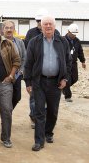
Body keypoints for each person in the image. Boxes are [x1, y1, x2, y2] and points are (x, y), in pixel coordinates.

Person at [24, 16, 71, 151]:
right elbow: (28, 63)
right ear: (41, 26)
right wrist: (28, 81)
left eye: (50, 24)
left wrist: (65, 79)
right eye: (45, 24)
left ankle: (48, 133)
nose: (48, 26)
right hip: (39, 81)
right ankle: (39, 141)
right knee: (39, 111)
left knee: (53, 111)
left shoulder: (63, 42)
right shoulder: (34, 42)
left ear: (55, 26)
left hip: (56, 82)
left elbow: (68, 62)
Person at [24, 9, 60, 129]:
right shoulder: (31, 34)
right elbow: (28, 55)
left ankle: (48, 127)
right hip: (37, 76)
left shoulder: (57, 34)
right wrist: (28, 78)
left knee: (51, 106)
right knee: (34, 100)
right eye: (39, 21)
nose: (41, 23)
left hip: (53, 79)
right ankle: (34, 118)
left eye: (42, 21)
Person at [2, 20, 26, 109]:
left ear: (14, 29)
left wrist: (21, 71)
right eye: (6, 28)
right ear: (2, 29)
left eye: (11, 28)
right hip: (4, 76)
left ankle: (8, 113)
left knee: (17, 97)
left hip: (17, 75)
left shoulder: (20, 42)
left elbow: (24, 57)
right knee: (5, 98)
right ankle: (6, 116)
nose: (9, 30)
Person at [63, 24, 86, 102]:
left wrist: (83, 61)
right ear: (68, 31)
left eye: (75, 34)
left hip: (73, 63)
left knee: (75, 78)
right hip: (65, 63)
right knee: (67, 79)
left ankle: (64, 87)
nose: (74, 35)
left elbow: (80, 51)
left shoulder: (77, 41)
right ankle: (67, 96)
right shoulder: (62, 40)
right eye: (73, 33)